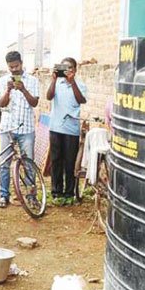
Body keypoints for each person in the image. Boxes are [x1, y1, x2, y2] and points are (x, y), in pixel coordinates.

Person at [0, 51, 40, 208]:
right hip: (7, 128)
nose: (14, 69)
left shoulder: (33, 81)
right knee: (4, 163)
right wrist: (8, 91)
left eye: (16, 66)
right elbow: (1, 104)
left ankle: (31, 196)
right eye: (11, 67)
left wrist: (23, 89)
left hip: (26, 128)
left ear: (21, 63)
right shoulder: (2, 81)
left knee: (29, 164)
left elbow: (34, 103)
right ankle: (3, 196)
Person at [47, 57, 88, 205]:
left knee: (70, 162)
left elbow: (81, 100)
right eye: (63, 68)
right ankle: (56, 192)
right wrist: (53, 80)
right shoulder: (56, 83)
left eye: (70, 68)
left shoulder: (80, 85)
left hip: (71, 129)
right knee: (56, 160)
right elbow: (48, 96)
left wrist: (72, 83)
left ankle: (69, 192)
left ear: (75, 70)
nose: (67, 70)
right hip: (56, 127)